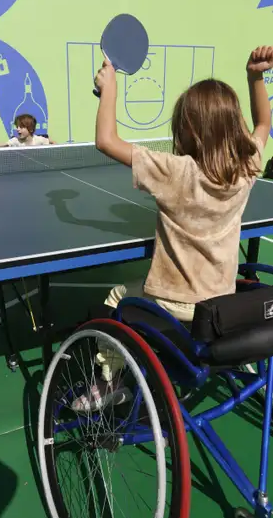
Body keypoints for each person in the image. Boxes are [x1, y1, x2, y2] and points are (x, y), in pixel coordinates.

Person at [72, 46, 272, 412]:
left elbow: (106, 141)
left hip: (171, 305)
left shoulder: (175, 172)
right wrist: (255, 76)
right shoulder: (246, 168)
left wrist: (110, 88)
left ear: (188, 130)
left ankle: (111, 382)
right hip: (218, 305)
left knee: (116, 296)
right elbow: (263, 125)